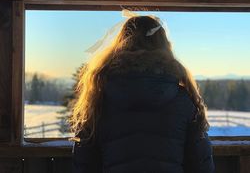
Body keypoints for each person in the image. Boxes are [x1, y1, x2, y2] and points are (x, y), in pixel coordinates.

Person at [70, 13, 215, 173]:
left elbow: (85, 163)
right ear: (164, 46)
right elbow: (201, 164)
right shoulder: (183, 101)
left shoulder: (99, 99)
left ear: (121, 44)